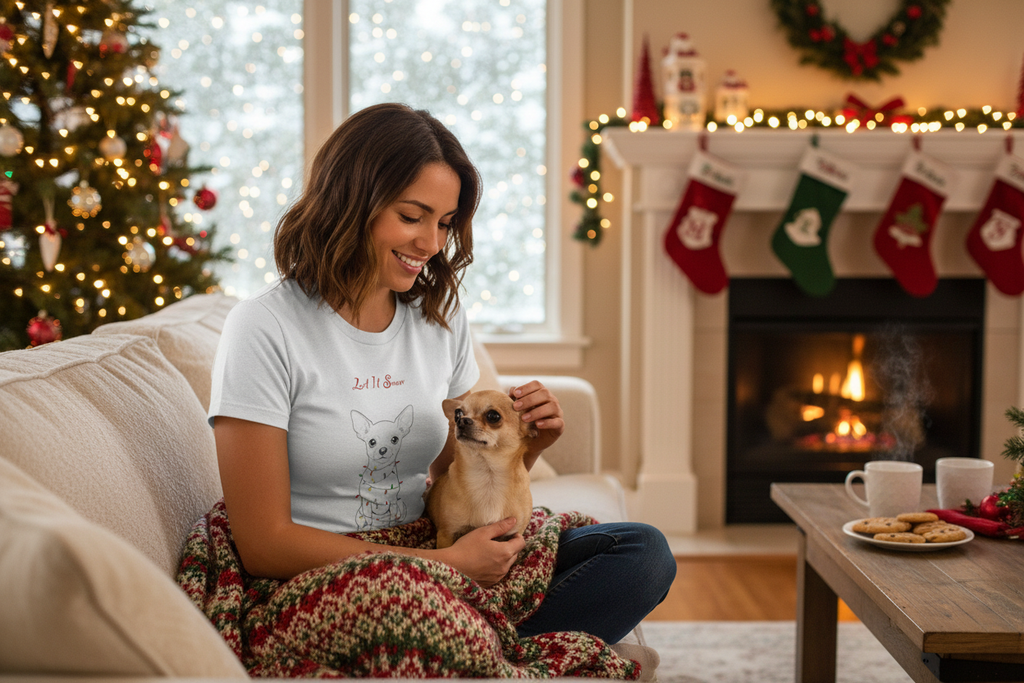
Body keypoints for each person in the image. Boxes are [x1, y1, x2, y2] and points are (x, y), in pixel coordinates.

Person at [208, 102, 675, 644]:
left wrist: (526, 444)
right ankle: (474, 642)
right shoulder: (265, 328)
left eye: (444, 223)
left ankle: (467, 640)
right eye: (412, 217)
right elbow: (263, 544)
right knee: (415, 604)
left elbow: (455, 470)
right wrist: (445, 567)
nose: (431, 245)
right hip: (330, 572)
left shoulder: (439, 316)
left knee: (642, 554)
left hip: (434, 540)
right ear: (349, 202)